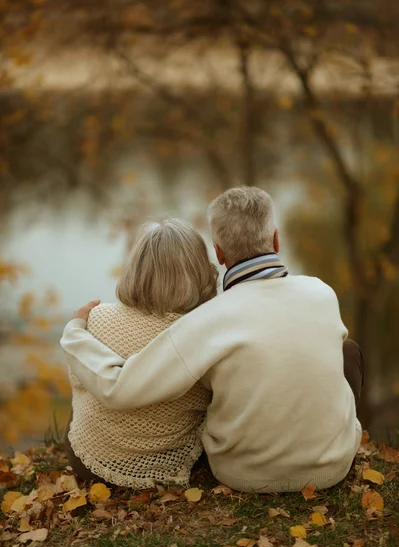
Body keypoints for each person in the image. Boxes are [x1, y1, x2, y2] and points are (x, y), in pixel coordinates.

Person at [61, 186, 363, 493]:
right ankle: (329, 443)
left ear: (218, 253)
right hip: (332, 470)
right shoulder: (322, 292)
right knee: (346, 352)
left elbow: (120, 389)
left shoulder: (206, 321)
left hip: (244, 476)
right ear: (275, 240)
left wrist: (74, 334)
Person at [63, 218, 218, 488]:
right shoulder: (204, 332)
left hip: (90, 463)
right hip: (176, 460)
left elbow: (79, 380)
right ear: (200, 271)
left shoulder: (97, 319)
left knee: (82, 385)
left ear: (136, 268)